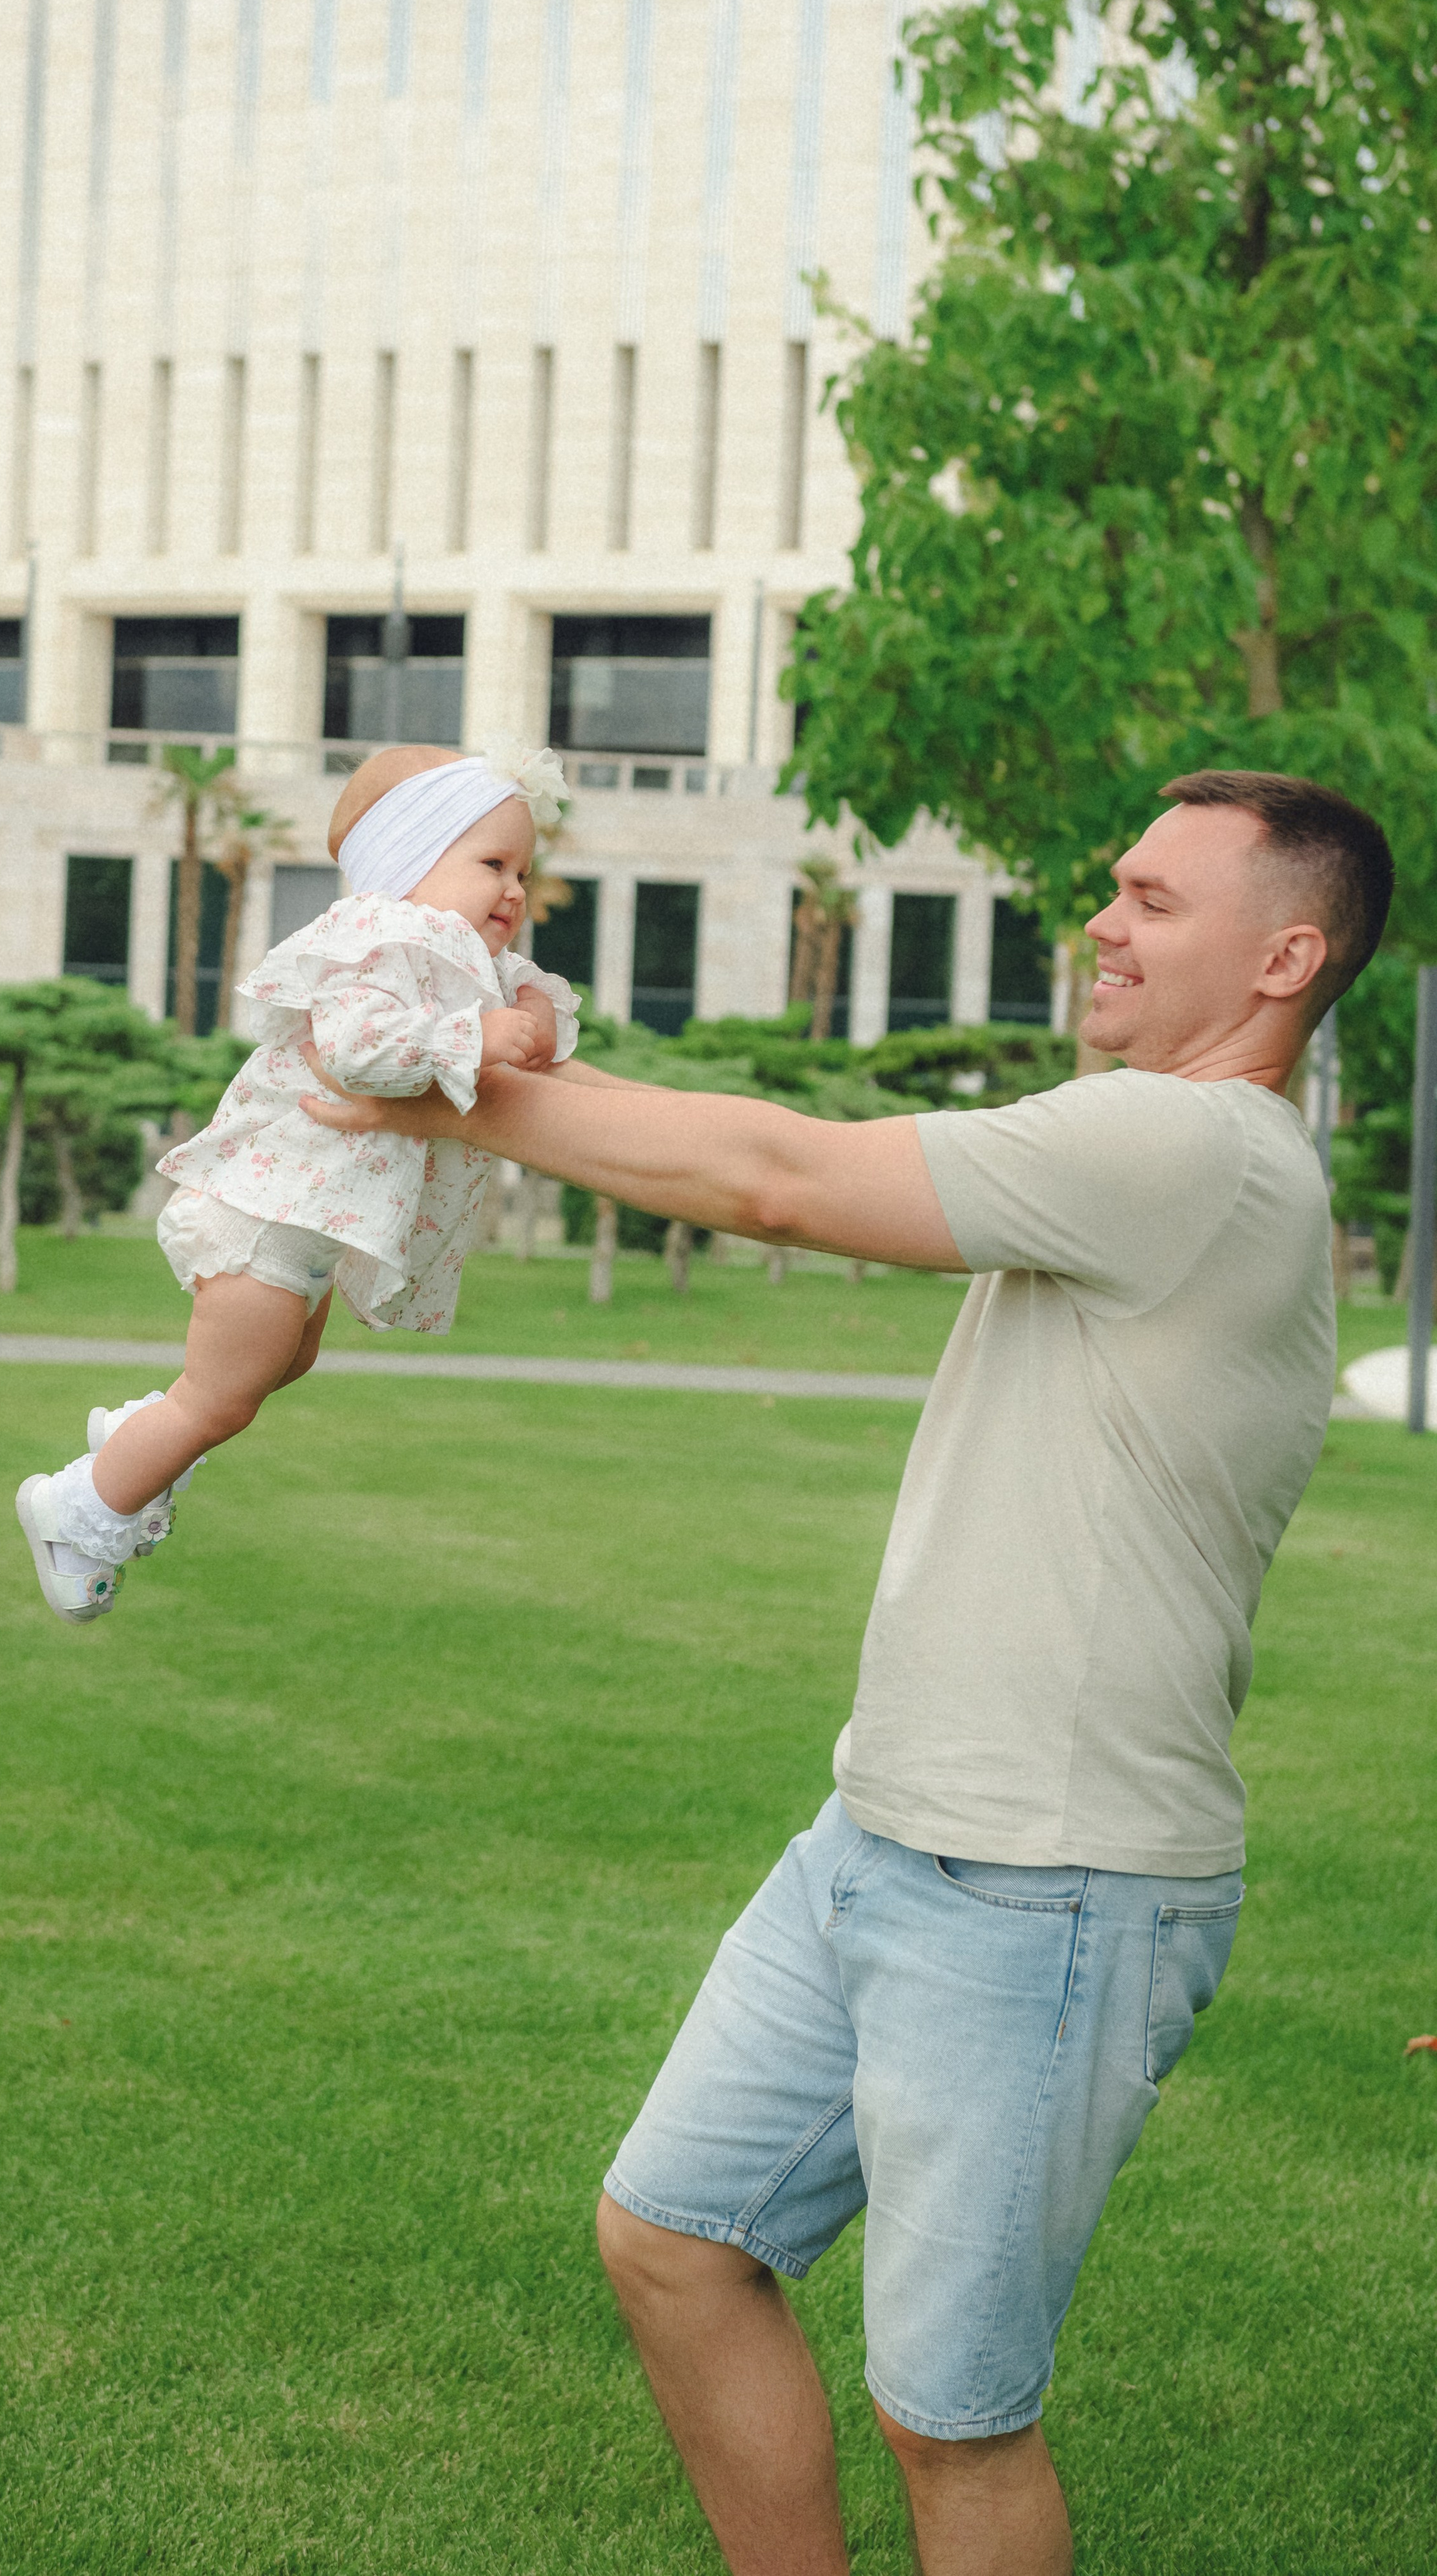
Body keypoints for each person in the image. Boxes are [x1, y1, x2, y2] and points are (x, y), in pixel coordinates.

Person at [301, 769, 1394, 2576]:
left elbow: (778, 1174)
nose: (1101, 922)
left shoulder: (1197, 1154)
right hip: (884, 1831)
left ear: (1286, 954)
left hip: (1051, 1879)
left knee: (954, 2413)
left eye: (1150, 896)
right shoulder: (1129, 1143)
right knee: (677, 2236)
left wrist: (443, 1073)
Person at [14, 738, 578, 1626]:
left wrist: (526, 1014)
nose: (514, 889)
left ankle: (141, 1436)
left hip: (303, 1217)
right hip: (267, 1209)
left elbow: (535, 1019)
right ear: (408, 863)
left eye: (523, 870)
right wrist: (470, 1039)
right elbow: (355, 1048)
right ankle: (80, 1509)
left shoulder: (454, 960)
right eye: (492, 863)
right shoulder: (381, 940)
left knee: (288, 1360)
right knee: (223, 1398)